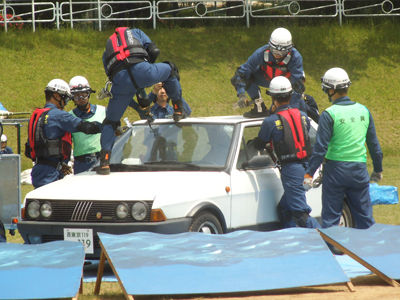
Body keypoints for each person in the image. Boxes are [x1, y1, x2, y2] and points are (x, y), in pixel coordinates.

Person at [98, 27, 186, 175]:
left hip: (121, 81)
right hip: (142, 69)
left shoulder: (107, 48)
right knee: (171, 69)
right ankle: (178, 109)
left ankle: (104, 163)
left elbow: (110, 72)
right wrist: (149, 69)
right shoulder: (136, 32)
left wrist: (139, 97)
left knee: (110, 122)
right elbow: (154, 50)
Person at [303, 67, 383, 230]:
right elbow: (374, 145)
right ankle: (368, 252)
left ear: (331, 90)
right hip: (359, 170)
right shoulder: (364, 111)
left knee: (332, 219)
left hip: (336, 172)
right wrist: (378, 169)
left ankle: (334, 251)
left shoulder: (329, 114)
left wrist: (309, 173)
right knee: (365, 218)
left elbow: (320, 148)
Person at [250, 76, 320, 229]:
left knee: (300, 215)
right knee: (284, 209)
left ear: (273, 98)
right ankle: (292, 243)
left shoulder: (270, 121)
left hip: (292, 170)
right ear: (290, 96)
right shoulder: (303, 116)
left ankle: (331, 243)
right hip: (308, 168)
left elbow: (259, 143)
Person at [25, 79, 103, 189]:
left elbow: (29, 151)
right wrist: (108, 126)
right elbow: (87, 127)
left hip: (38, 170)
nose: (66, 102)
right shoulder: (58, 115)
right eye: (65, 98)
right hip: (50, 172)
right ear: (56, 95)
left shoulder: (36, 116)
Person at [231, 27, 305, 118]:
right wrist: (241, 94)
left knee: (297, 97)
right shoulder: (260, 53)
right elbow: (242, 73)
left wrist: (290, 111)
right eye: (275, 51)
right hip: (266, 78)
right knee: (241, 76)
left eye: (283, 52)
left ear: (290, 48)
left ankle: (288, 109)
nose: (278, 55)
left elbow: (298, 86)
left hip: (286, 85)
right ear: (269, 46)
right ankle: (259, 108)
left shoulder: (295, 57)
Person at [69, 76, 106, 174]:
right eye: (77, 96)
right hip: (81, 164)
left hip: (102, 161)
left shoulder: (103, 111)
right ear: (72, 97)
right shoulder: (69, 117)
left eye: (84, 95)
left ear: (89, 94)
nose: (81, 98)